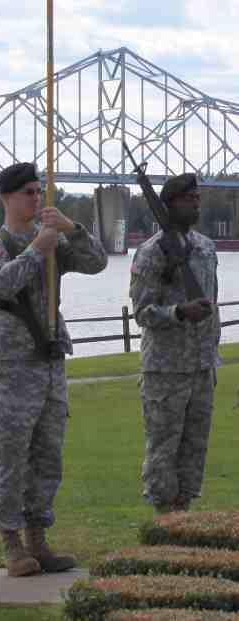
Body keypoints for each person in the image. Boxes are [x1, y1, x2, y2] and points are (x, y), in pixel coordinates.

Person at [0, 162, 107, 576]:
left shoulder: (50, 238)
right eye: (28, 192)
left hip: (49, 360)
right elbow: (2, 282)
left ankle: (39, 539)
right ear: (7, 197)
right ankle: (13, 544)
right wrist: (38, 249)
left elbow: (96, 262)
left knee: (48, 456)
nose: (35, 198)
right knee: (11, 456)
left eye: (38, 191)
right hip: (13, 362)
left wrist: (71, 229)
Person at [130, 173, 220, 515]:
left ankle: (185, 517)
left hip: (201, 366)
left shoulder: (206, 247)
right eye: (188, 198)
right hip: (166, 370)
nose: (196, 203)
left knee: (194, 450)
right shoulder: (152, 252)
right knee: (163, 450)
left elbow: (213, 303)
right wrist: (179, 312)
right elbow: (142, 311)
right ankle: (165, 520)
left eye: (197, 197)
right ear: (169, 204)